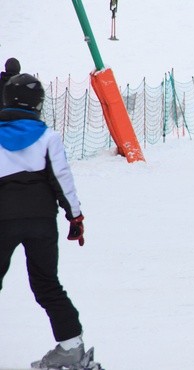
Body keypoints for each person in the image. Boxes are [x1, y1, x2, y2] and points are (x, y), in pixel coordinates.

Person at [0, 74, 100, 369]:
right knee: (46, 283)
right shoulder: (47, 138)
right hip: (41, 222)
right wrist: (75, 216)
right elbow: (62, 180)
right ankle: (71, 347)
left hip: (3, 219)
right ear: (37, 104)